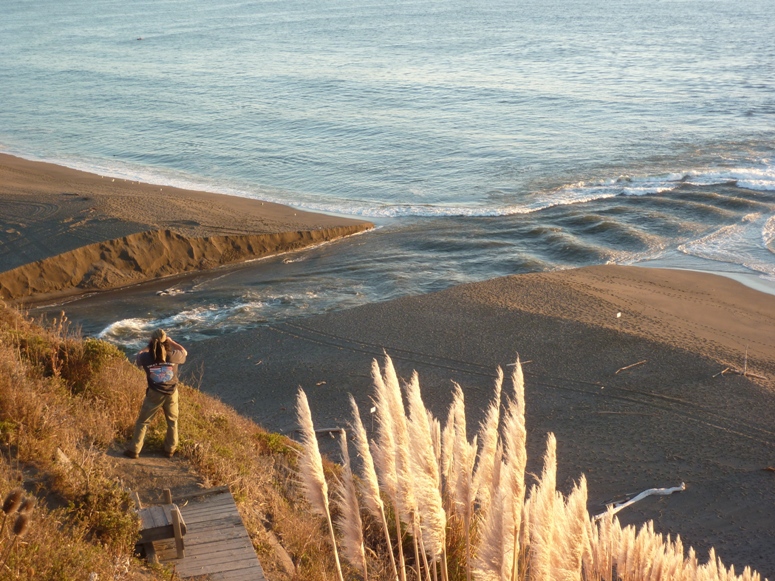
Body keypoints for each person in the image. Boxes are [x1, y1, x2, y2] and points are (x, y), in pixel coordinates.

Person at [124, 329, 187, 459]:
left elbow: (138, 356)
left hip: (154, 393)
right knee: (172, 421)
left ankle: (134, 450)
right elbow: (184, 352)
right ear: (165, 341)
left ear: (152, 341)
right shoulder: (172, 355)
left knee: (143, 422)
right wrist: (171, 341)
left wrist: (148, 346)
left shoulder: (147, 357)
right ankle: (170, 449)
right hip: (171, 393)